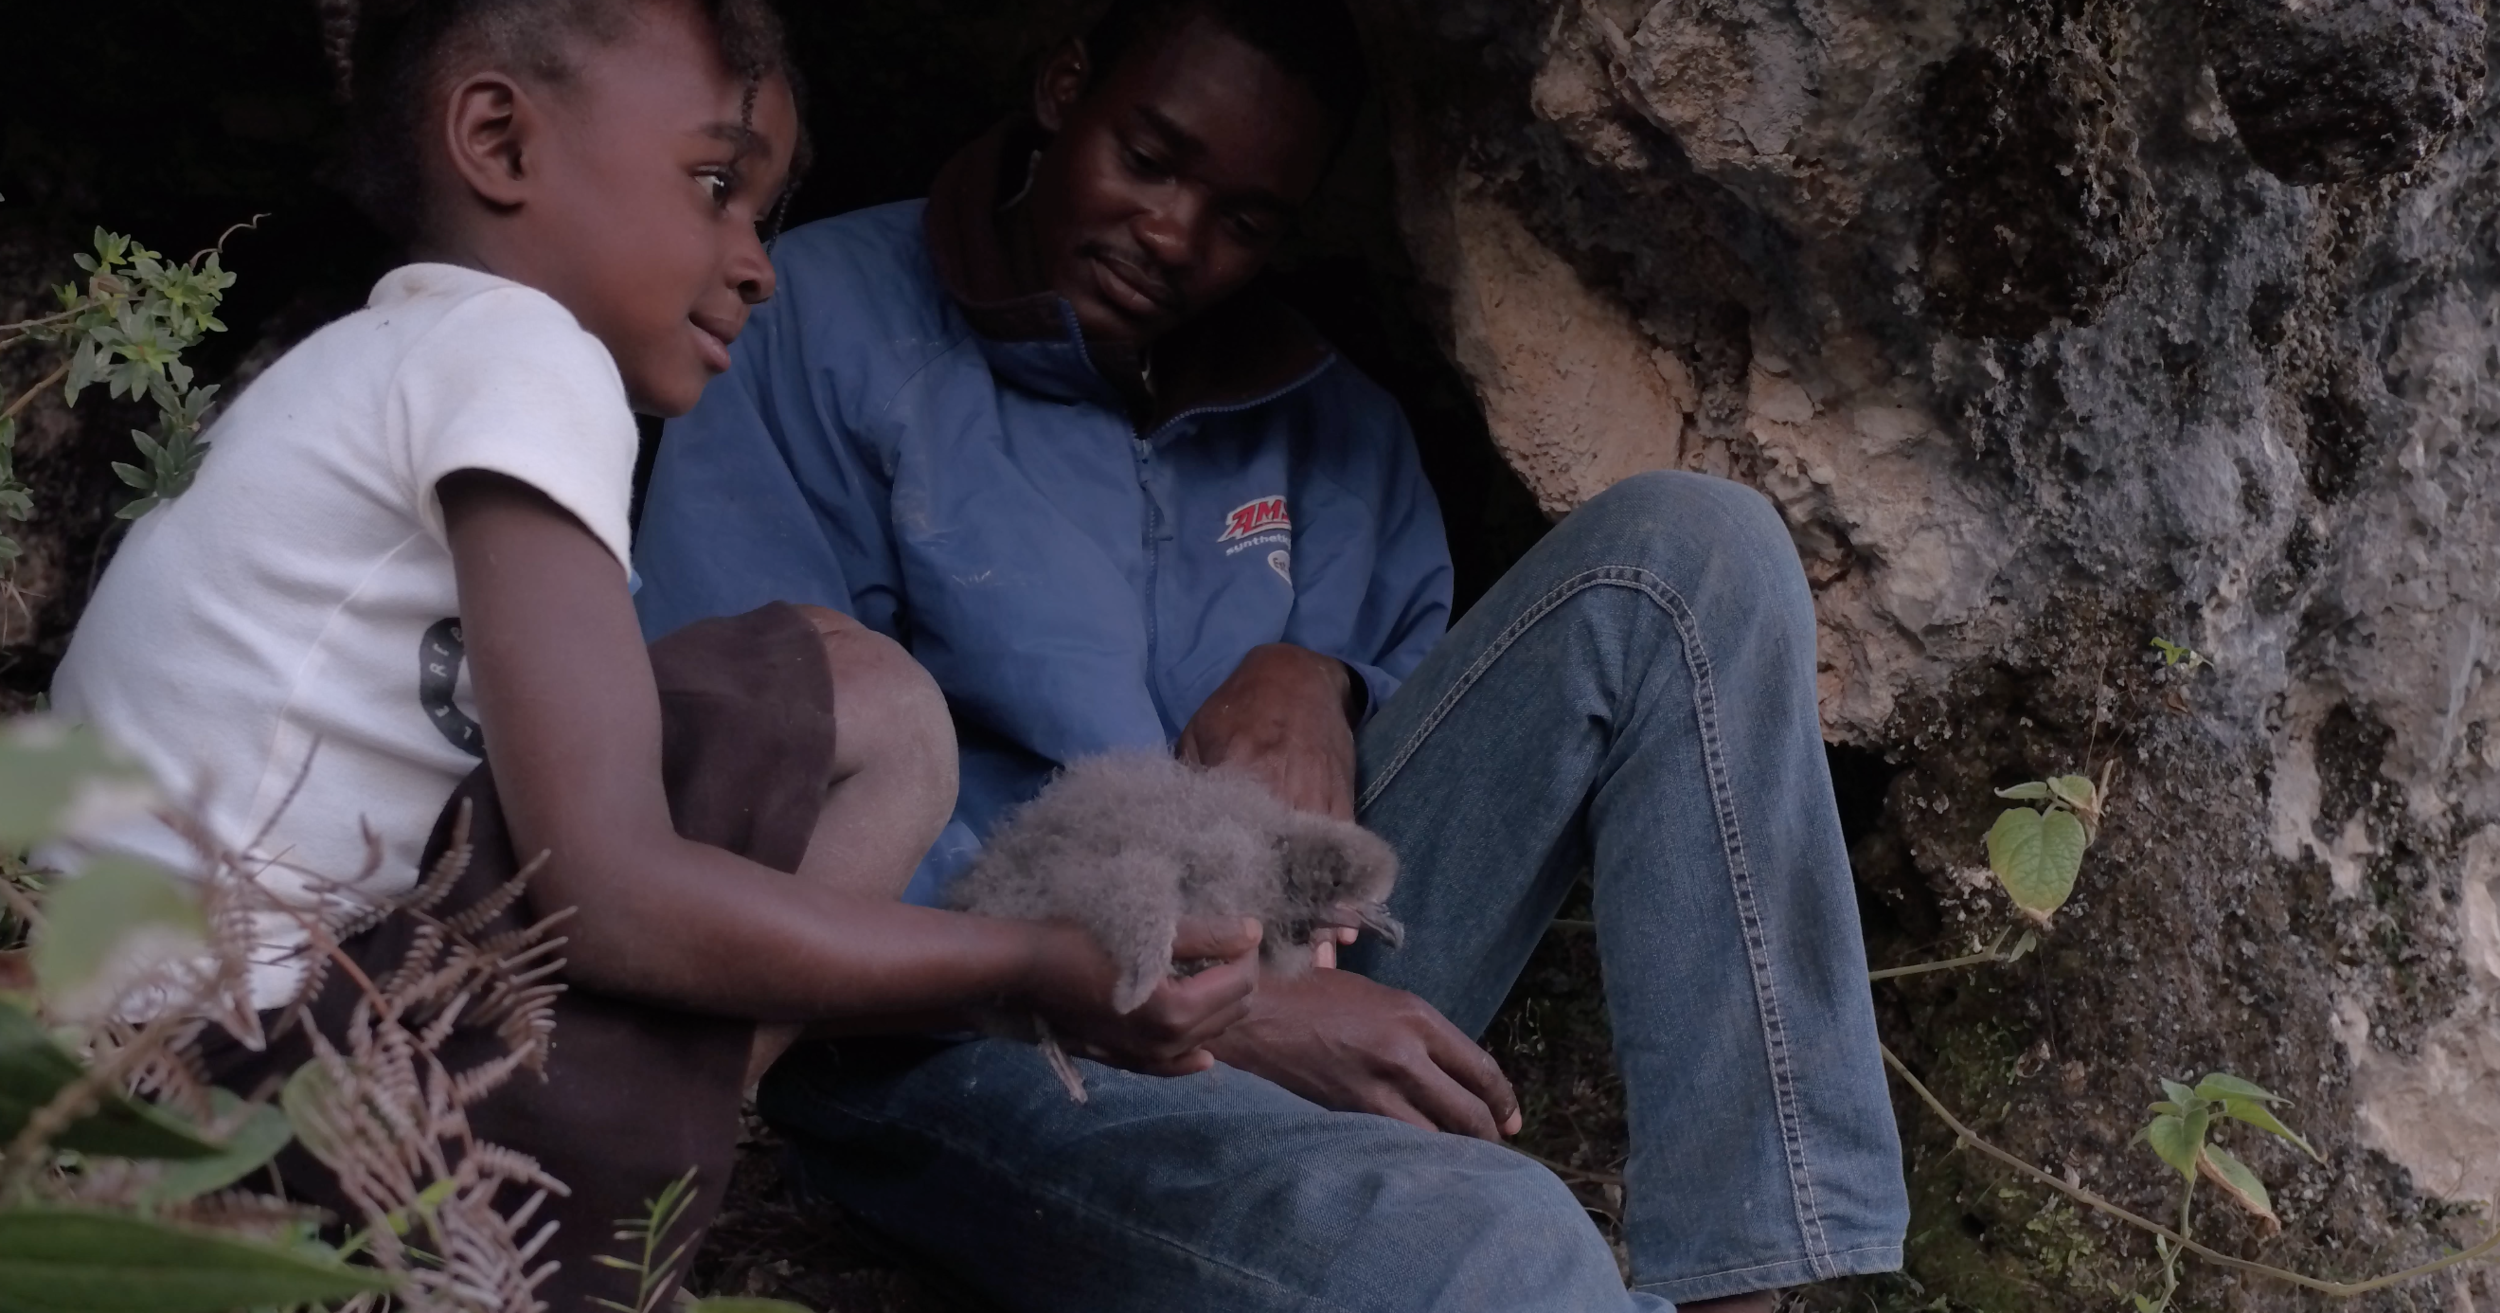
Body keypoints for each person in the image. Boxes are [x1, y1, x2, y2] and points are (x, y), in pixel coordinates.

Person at [631, 0, 1914, 1308]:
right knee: (1502, 1241)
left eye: (1243, 220)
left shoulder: (1326, 418)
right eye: (1151, 158)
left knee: (1693, 550)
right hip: (977, 1031)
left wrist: (1328, 673)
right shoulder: (821, 325)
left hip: (1313, 953)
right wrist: (1217, 1000)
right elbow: (764, 789)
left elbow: (1444, 740)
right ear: (1064, 82)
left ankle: (1749, 1281)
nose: (1175, 235)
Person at [47, 1, 1264, 1306]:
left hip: (120, 1085)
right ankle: (601, 1233)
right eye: (714, 184)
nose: (756, 264)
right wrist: (1031, 969)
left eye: (763, 214)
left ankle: (577, 1205)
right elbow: (613, 891)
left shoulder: (365, 361)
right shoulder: (515, 351)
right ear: (499, 142)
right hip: (267, 1084)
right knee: (864, 697)